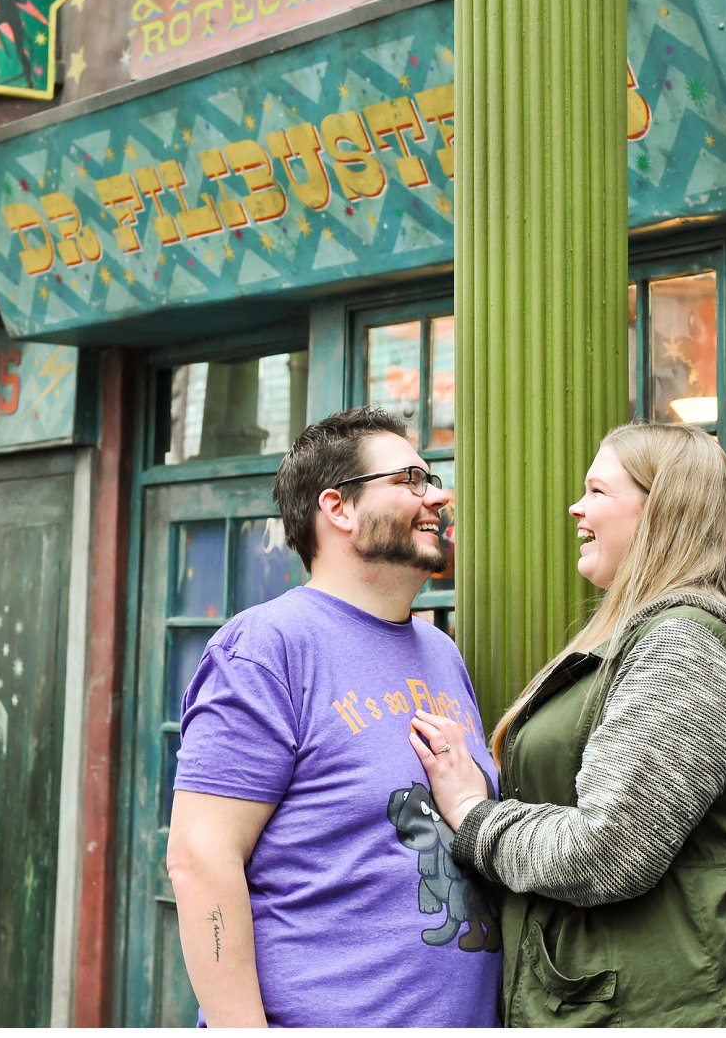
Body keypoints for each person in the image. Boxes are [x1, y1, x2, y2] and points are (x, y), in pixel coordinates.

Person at [410, 423, 726, 1027]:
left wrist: (472, 817)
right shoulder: (652, 633)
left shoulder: (683, 642)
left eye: (597, 491)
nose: (575, 507)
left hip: (693, 1000)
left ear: (658, 511)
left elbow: (609, 851)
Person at [167, 406, 502, 1027]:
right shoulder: (268, 648)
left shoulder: (441, 653)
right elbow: (200, 857)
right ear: (338, 508)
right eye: (411, 481)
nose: (439, 496)